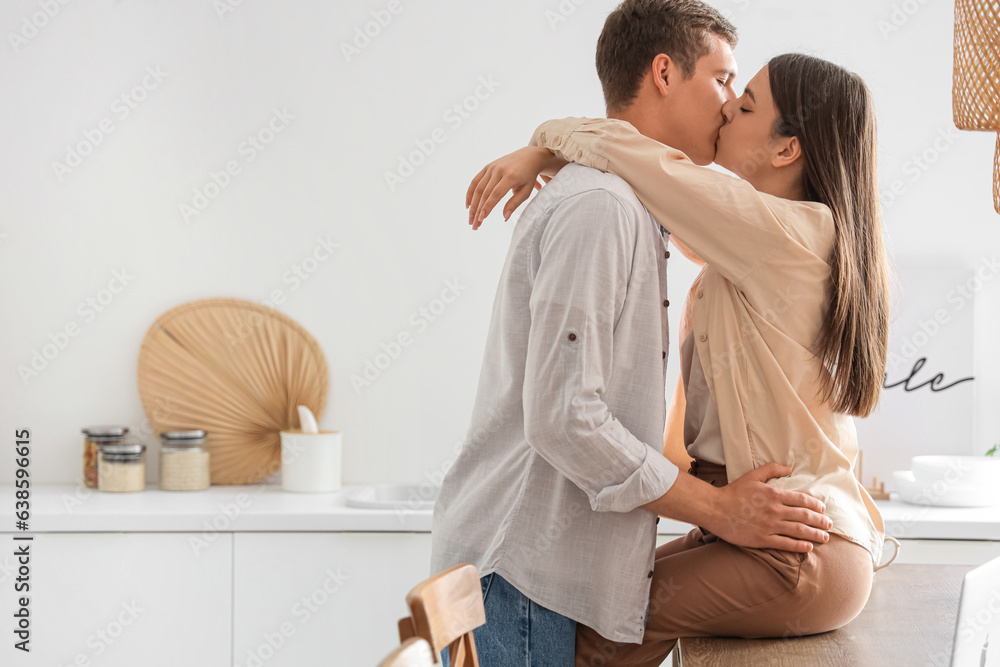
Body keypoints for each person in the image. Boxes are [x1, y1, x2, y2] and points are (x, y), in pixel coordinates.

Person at [430, 2, 835, 666]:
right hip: (527, 581)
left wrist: (545, 144)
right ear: (665, 72)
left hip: (539, 580)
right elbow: (566, 417)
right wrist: (720, 508)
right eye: (724, 79)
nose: (732, 105)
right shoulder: (602, 207)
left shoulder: (635, 203)